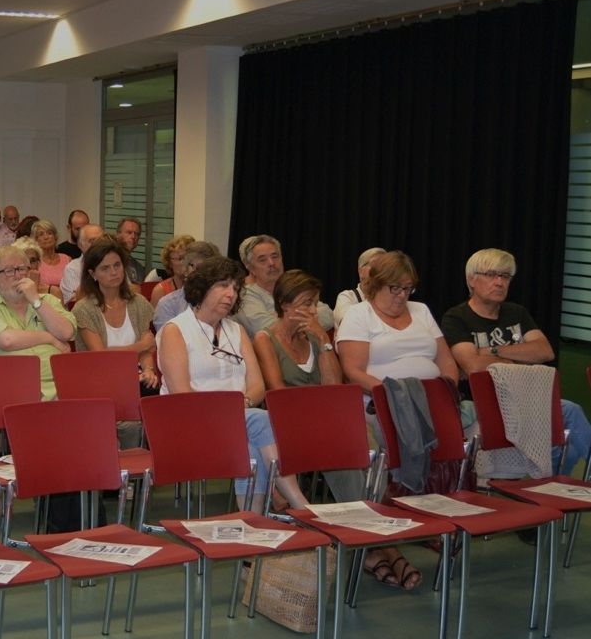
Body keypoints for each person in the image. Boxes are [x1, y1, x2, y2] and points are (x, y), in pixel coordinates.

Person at [335, 250, 458, 590]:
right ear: (374, 285)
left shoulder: (421, 311)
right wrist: (397, 395)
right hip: (379, 402)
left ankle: (435, 516)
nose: (402, 296)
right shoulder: (360, 315)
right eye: (395, 288)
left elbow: (446, 360)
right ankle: (387, 537)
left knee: (472, 427)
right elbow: (353, 370)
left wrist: (445, 390)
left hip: (429, 401)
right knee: (384, 441)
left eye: (408, 288)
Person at [156, 256, 310, 515]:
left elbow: (257, 386)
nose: (230, 294)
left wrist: (243, 405)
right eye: (223, 285)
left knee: (250, 439)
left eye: (236, 288)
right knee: (259, 421)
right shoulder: (176, 330)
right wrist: (232, 410)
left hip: (240, 421)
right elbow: (181, 394)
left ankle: (251, 524)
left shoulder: (236, 330)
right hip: (189, 423)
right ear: (203, 287)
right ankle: (300, 504)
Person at [440, 248, 591, 475]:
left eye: (505, 276)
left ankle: (552, 478)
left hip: (529, 398)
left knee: (572, 411)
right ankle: (548, 479)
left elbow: (545, 351)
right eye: (491, 275)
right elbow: (473, 365)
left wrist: (490, 351)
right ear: (472, 279)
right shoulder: (456, 318)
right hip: (486, 403)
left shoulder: (516, 313)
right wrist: (518, 355)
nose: (499, 282)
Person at [251, 270, 357, 502]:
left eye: (315, 303)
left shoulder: (314, 337)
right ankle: (355, 509)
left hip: (322, 418)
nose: (313, 311)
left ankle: (360, 508)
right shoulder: (265, 339)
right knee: (343, 435)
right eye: (307, 303)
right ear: (285, 304)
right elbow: (277, 395)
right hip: (286, 420)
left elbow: (333, 388)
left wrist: (324, 341)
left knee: (357, 433)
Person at [72, 238, 158, 446]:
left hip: (135, 379)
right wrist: (139, 347)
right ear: (93, 274)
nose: (114, 272)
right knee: (131, 423)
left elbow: (149, 346)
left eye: (117, 265)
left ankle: (141, 472)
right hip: (99, 381)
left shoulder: (139, 303)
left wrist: (149, 369)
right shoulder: (83, 309)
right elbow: (101, 357)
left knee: (155, 397)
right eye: (105, 268)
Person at [0, 245, 76, 400]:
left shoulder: (49, 301)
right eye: (9, 271)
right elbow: (7, 340)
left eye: (22, 269)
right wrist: (49, 338)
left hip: (58, 390)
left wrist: (35, 300)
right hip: (11, 393)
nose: (18, 276)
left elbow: (66, 332)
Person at [236, 234, 334, 338]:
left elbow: (328, 315)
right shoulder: (244, 295)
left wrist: (281, 318)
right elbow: (267, 329)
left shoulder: (294, 287)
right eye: (262, 260)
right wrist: (309, 318)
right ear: (251, 268)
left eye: (275, 256)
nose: (271, 263)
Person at [153, 240, 221, 332]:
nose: (202, 273)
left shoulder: (222, 303)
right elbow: (167, 343)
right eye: (198, 267)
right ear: (185, 269)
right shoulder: (168, 305)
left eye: (208, 269)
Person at [333, 247, 386, 328]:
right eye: (376, 265)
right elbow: (349, 323)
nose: (381, 271)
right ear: (360, 271)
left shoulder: (391, 297)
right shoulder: (347, 297)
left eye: (385, 266)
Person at [148, 234, 197, 308]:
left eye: (188, 258)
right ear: (170, 263)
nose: (185, 262)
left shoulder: (199, 286)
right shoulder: (160, 291)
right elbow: (154, 319)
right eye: (180, 259)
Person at [59, 223, 104, 304]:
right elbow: (76, 302)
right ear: (80, 245)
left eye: (101, 241)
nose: (98, 245)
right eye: (92, 241)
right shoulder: (73, 268)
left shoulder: (113, 264)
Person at [31, 219, 70, 299]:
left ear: (55, 237)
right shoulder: (34, 263)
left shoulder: (67, 259)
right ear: (35, 240)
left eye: (49, 233)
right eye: (41, 234)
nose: (46, 237)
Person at [115, 217, 145, 285]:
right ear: (118, 234)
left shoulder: (138, 268)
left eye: (137, 234)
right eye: (129, 232)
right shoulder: (109, 261)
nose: (133, 237)